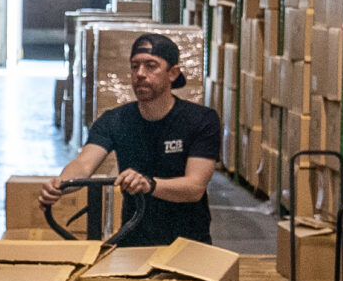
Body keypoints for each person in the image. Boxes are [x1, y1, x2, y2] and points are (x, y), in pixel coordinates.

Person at [41, 32, 221, 247]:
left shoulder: (201, 120)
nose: (140, 74)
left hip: (188, 243)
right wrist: (61, 185)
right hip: (134, 241)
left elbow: (195, 187)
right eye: (135, 66)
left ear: (173, 73)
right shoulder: (115, 120)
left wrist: (149, 185)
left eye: (151, 66)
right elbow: (84, 163)